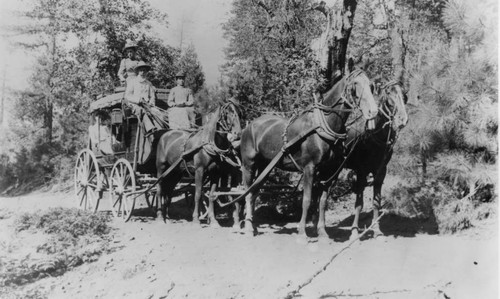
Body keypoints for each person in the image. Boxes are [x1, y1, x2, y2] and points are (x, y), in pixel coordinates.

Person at [125, 61, 157, 133]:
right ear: (138, 72)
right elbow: (127, 96)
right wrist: (138, 100)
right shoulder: (133, 82)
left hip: (148, 105)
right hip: (136, 105)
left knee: (157, 113)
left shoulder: (149, 83)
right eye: (141, 70)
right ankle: (150, 129)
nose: (142, 72)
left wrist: (151, 103)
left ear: (146, 72)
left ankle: (160, 130)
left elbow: (152, 96)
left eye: (144, 71)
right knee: (142, 111)